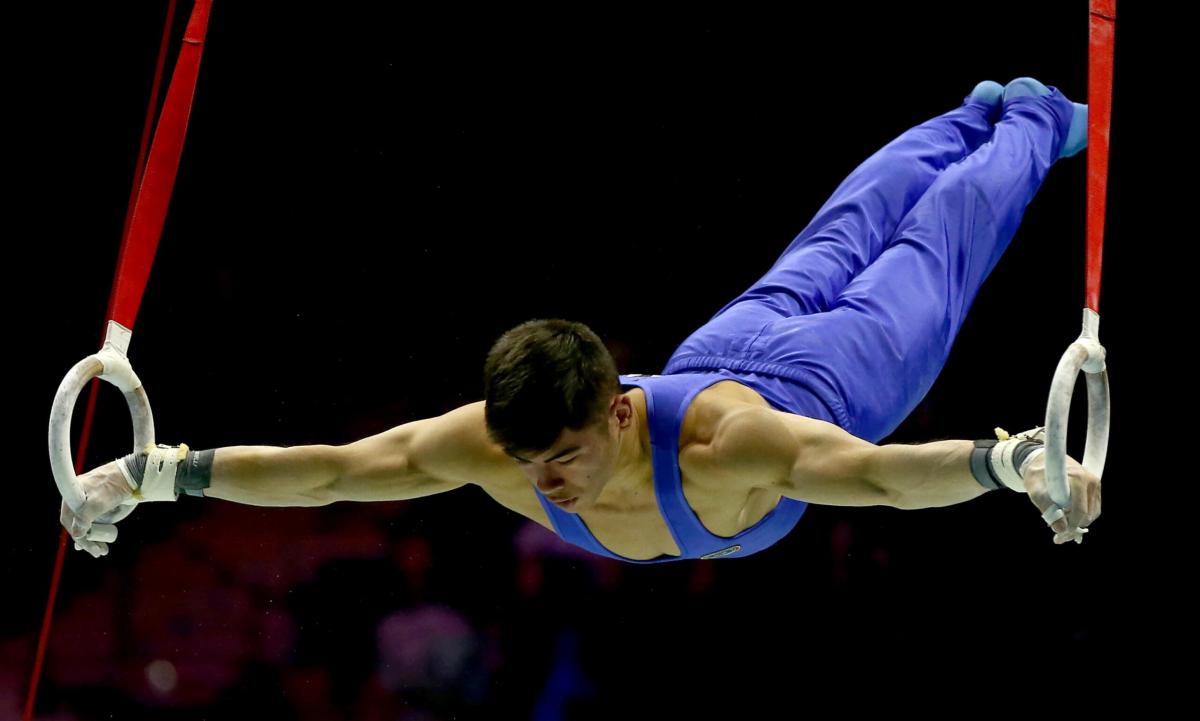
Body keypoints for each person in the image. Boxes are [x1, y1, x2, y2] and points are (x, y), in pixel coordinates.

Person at [62, 77, 1101, 563]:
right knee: (846, 224)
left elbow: (877, 478)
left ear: (615, 413)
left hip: (835, 379)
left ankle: (1038, 120)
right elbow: (329, 469)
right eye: (528, 458)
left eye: (558, 455)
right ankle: (973, 110)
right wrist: (167, 472)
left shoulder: (721, 449)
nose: (543, 481)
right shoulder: (499, 445)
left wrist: (1007, 461)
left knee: (934, 244)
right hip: (722, 349)